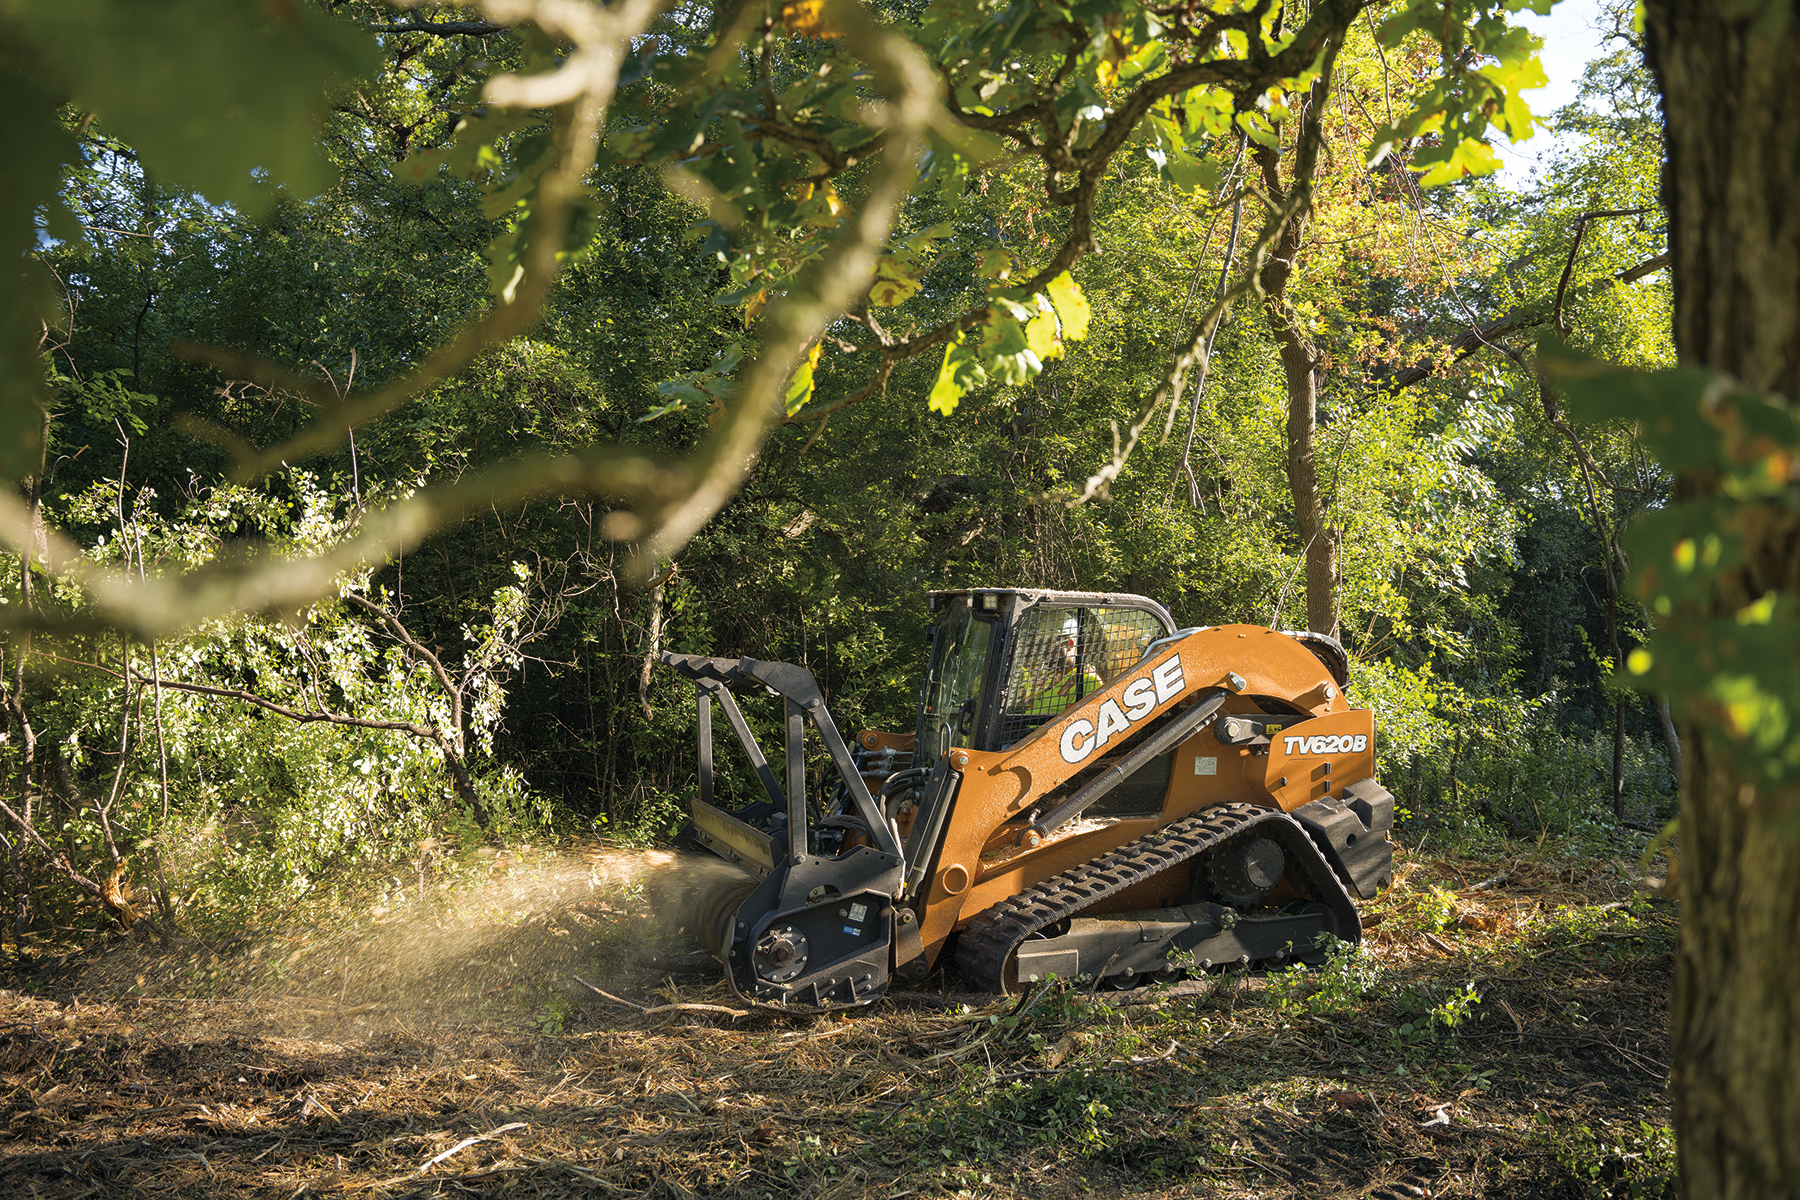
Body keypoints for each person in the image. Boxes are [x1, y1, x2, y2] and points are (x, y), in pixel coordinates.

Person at [1017, 622, 1102, 716]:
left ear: (1070, 644)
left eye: (1051, 645)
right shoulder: (1049, 677)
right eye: (1044, 646)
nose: (1046, 651)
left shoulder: (1088, 681)